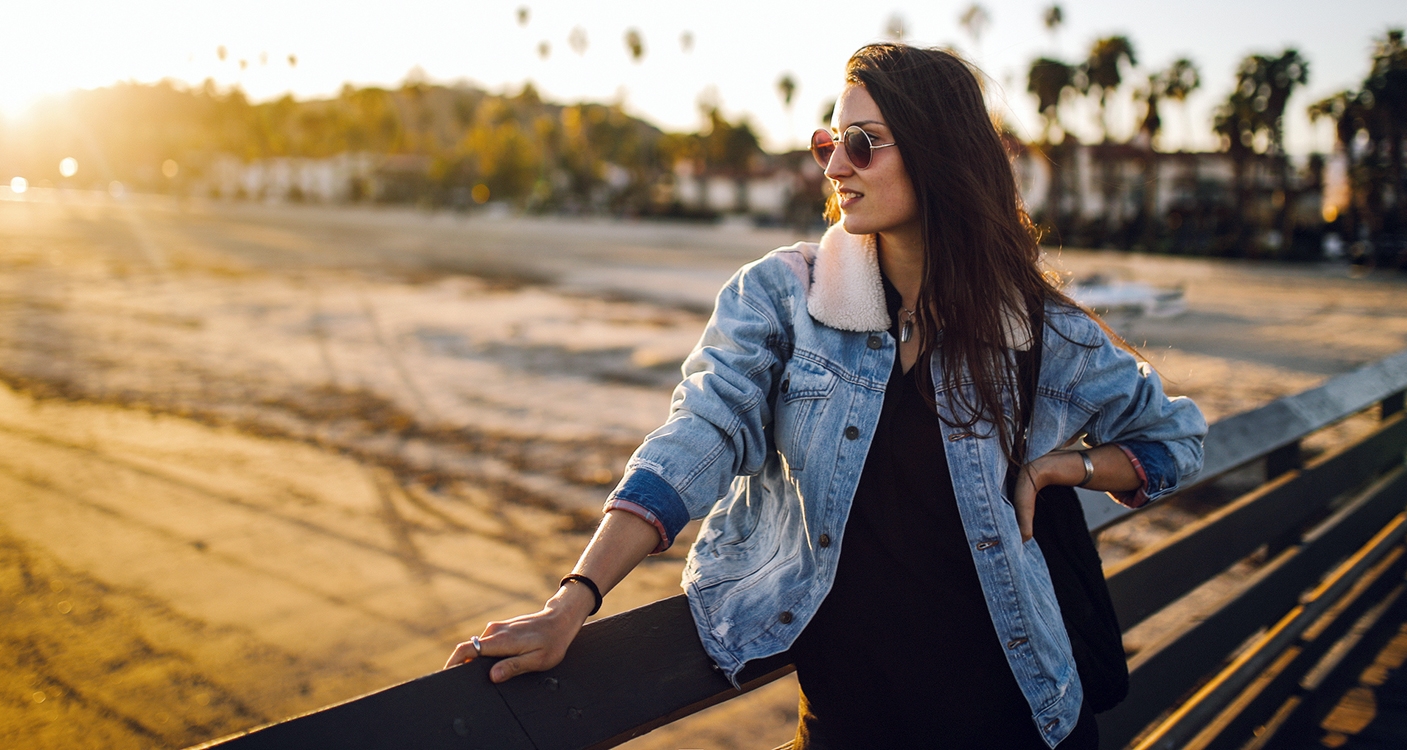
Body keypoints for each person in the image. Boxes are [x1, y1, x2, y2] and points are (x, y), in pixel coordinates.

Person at [445, 44, 1207, 749]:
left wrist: (1060, 470)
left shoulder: (1030, 327)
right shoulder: (784, 298)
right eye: (827, 142)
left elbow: (1174, 437)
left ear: (939, 153)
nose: (835, 165)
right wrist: (576, 595)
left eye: (863, 143)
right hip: (851, 722)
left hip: (1018, 716)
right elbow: (701, 431)